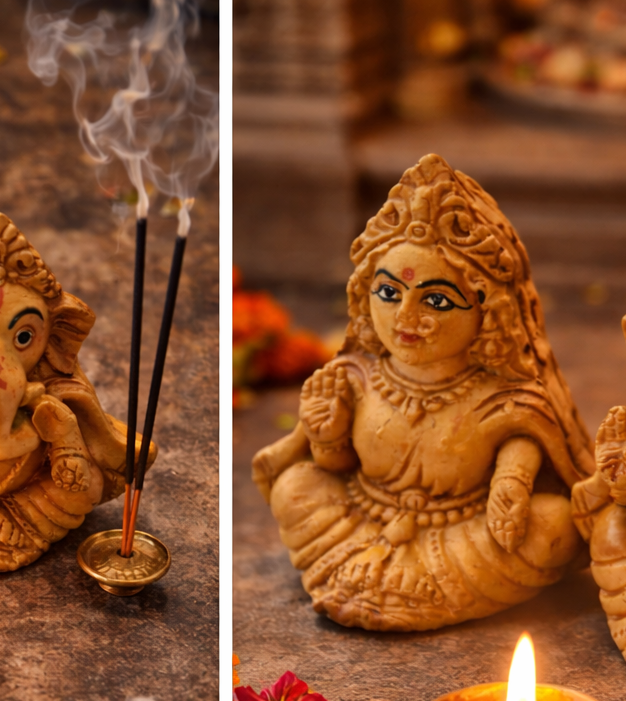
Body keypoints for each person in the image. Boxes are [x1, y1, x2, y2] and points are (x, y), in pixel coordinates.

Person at [252, 154, 594, 631]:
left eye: (435, 300)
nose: (406, 318)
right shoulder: (356, 376)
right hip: (362, 520)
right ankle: (377, 581)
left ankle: (401, 589)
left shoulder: (504, 398)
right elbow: (332, 466)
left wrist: (509, 489)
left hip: (462, 537)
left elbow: (523, 457)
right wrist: (326, 433)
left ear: (488, 311)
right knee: (296, 487)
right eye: (389, 294)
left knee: (554, 524)